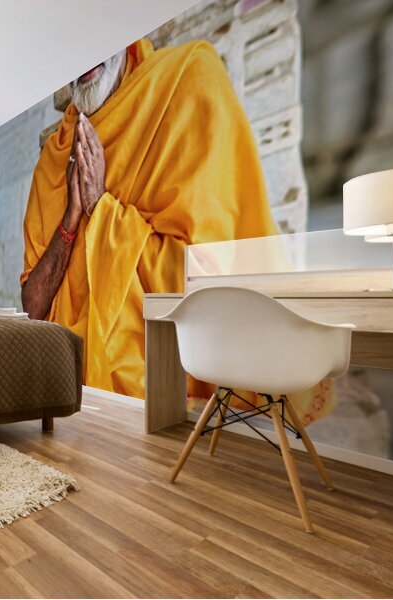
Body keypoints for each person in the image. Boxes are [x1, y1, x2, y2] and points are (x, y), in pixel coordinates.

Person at [20, 38, 281, 406]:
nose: (85, 57)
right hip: (64, 372)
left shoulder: (185, 81)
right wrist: (72, 216)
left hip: (153, 373)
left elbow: (207, 279)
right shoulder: (54, 157)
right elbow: (33, 307)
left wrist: (101, 206)